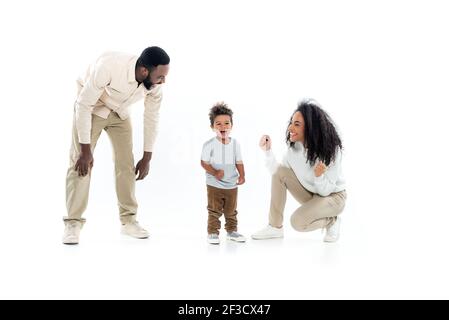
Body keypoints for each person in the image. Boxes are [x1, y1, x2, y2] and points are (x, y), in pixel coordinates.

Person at [63, 46, 170, 244]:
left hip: (120, 113)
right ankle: (73, 223)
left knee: (126, 165)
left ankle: (128, 221)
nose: (163, 81)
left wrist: (147, 156)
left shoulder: (155, 86)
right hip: (91, 108)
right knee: (80, 163)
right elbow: (83, 104)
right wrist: (85, 151)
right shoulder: (110, 66)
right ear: (145, 71)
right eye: (161, 76)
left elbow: (152, 117)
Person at [252, 99, 346, 242]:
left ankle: (331, 220)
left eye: (297, 124)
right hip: (313, 195)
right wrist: (267, 151)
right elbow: (277, 172)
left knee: (297, 222)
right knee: (280, 173)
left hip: (333, 197)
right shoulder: (294, 150)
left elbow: (325, 192)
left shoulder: (331, 150)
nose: (290, 128)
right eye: (291, 122)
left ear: (310, 128)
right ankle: (275, 227)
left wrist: (319, 176)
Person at [201, 103, 246, 244]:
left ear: (232, 125)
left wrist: (242, 175)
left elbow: (239, 161)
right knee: (214, 210)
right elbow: (203, 163)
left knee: (231, 210)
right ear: (212, 127)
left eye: (227, 123)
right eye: (218, 124)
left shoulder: (235, 144)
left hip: (231, 184)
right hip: (214, 184)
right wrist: (214, 172)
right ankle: (213, 232)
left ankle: (232, 231)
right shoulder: (209, 145)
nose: (223, 127)